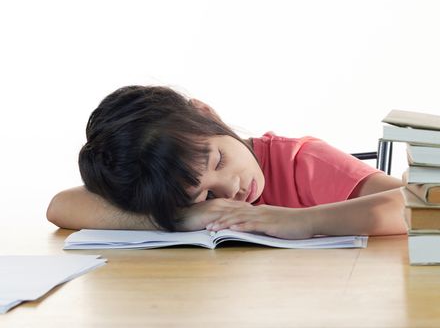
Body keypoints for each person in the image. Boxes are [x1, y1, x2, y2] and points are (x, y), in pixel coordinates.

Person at [46, 85, 408, 239]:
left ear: (207, 114)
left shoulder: (302, 161)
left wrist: (302, 220)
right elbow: (60, 206)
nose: (230, 190)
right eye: (202, 196)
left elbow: (417, 205)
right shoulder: (165, 191)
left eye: (218, 161)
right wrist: (185, 215)